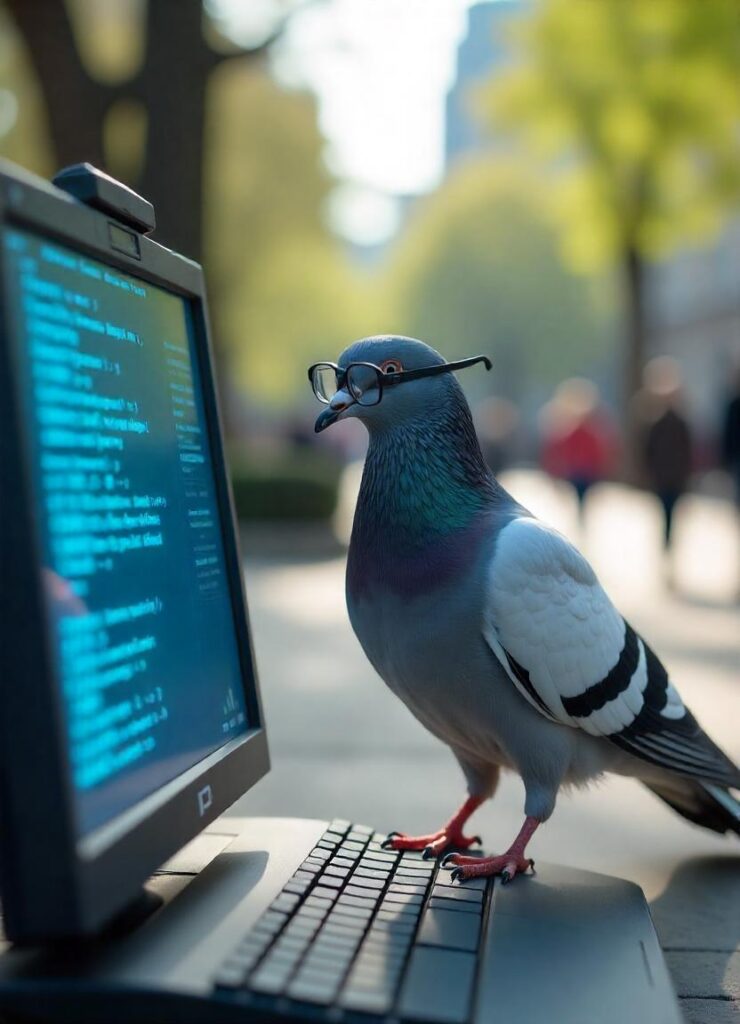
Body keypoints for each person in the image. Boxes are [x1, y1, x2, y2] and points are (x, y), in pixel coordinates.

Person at [635, 357, 693, 558]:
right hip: (663, 475)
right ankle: (665, 546)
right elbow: (648, 449)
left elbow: (687, 449)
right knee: (665, 511)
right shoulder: (655, 421)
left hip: (674, 475)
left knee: (671, 512)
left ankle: (668, 546)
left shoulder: (679, 421)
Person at [539, 378, 618, 522]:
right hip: (574, 470)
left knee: (582, 496)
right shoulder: (566, 429)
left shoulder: (592, 429)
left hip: (586, 470)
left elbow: (599, 451)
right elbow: (557, 452)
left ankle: (580, 517)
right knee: (578, 496)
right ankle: (579, 517)